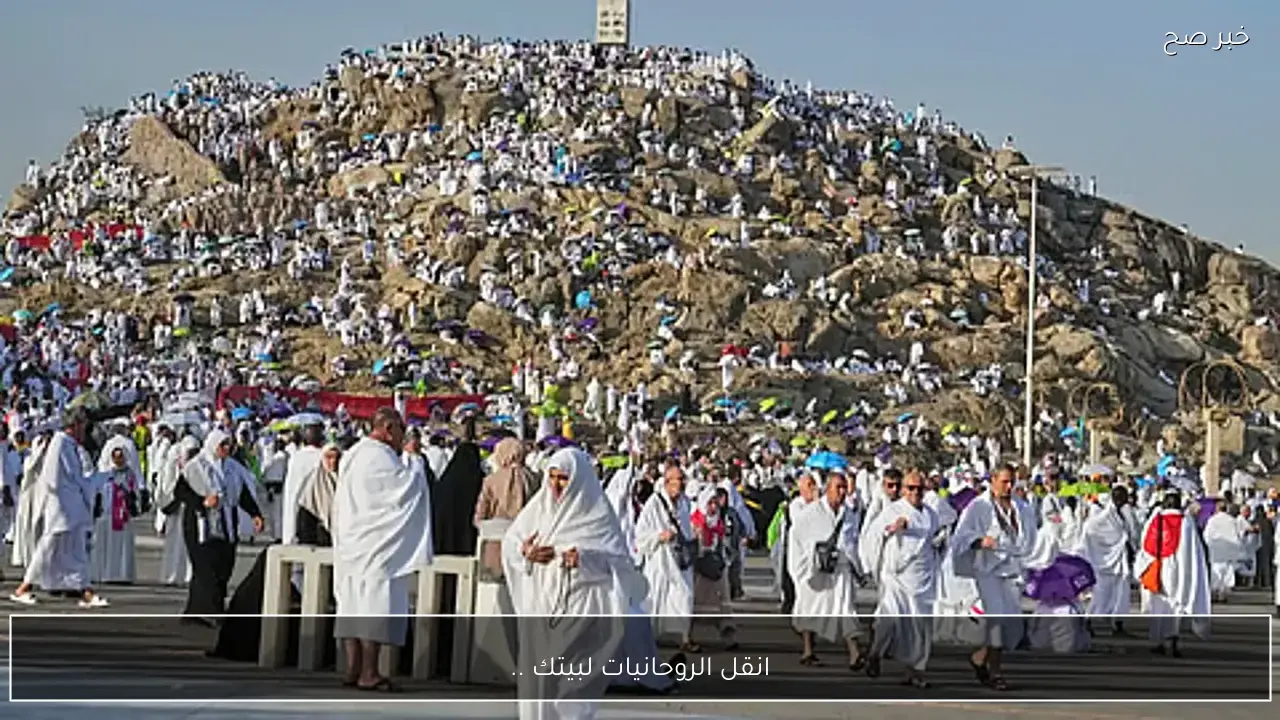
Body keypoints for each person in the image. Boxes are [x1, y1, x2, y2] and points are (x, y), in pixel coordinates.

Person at [502, 447, 637, 720]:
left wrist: (585, 560)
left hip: (582, 610)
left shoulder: (597, 515)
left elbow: (621, 566)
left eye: (563, 478)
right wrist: (525, 553)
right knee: (542, 682)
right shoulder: (539, 508)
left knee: (572, 685)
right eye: (551, 477)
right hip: (541, 607)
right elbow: (511, 543)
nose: (556, 485)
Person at [333, 408, 432, 692]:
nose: (403, 437)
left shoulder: (354, 453)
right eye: (400, 430)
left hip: (353, 543)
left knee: (352, 605)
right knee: (373, 606)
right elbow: (405, 491)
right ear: (389, 428)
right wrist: (414, 459)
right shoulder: (379, 457)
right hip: (376, 545)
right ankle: (369, 671)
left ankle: (352, 669)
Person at [9, 409, 111, 608]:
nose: (85, 431)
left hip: (70, 506)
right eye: (82, 425)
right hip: (62, 507)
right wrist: (75, 492)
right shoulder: (61, 443)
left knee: (73, 549)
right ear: (74, 425)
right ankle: (24, 587)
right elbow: (53, 479)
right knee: (49, 546)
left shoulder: (68, 444)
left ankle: (85, 590)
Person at [950, 465, 1037, 691]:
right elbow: (960, 537)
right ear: (993, 480)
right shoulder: (978, 507)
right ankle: (996, 672)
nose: (1009, 487)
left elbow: (1030, 538)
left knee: (1010, 624)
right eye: (1004, 482)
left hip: (1011, 569)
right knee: (996, 619)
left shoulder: (1022, 508)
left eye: (1012, 482)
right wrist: (979, 541)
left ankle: (980, 657)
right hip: (988, 570)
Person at [165, 428, 264, 622]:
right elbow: (180, 492)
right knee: (205, 569)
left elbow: (242, 494)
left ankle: (195, 612)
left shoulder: (232, 468)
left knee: (224, 566)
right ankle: (213, 612)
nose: (226, 448)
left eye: (228, 444)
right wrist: (202, 501)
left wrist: (255, 514)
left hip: (227, 524)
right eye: (222, 445)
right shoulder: (195, 466)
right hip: (200, 524)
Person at [862, 469, 939, 687]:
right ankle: (875, 653)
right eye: (910, 488)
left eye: (919, 488)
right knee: (890, 619)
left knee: (920, 627)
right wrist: (893, 528)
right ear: (904, 490)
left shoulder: (931, 514)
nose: (915, 492)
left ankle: (914, 671)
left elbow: (934, 539)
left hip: (922, 578)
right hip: (896, 576)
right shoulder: (893, 510)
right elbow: (874, 535)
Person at [789, 470, 865, 669]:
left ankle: (855, 654)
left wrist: (859, 569)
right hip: (815, 571)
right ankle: (808, 649)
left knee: (846, 609)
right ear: (828, 489)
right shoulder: (810, 513)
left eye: (844, 488)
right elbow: (797, 539)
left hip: (840, 571)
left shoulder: (849, 515)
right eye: (837, 487)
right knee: (810, 608)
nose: (841, 492)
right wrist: (805, 565)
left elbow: (853, 542)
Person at [1136, 491, 1211, 657]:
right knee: (1176, 605)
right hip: (1180, 572)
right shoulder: (1186, 523)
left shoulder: (1155, 520)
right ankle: (1174, 640)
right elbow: (1192, 552)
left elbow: (1145, 547)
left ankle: (1160, 641)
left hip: (1159, 568)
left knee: (1159, 605)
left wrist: (1143, 567)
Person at [635, 465, 695, 648]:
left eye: (683, 479)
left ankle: (685, 637)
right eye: (678, 480)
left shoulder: (684, 503)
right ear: (668, 482)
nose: (682, 484)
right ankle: (648, 638)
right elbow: (641, 535)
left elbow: (686, 528)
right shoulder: (654, 504)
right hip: (660, 560)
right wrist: (660, 536)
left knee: (684, 595)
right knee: (656, 598)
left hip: (680, 560)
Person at [473, 437, 538, 581]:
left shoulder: (491, 480)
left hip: (495, 543)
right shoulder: (534, 478)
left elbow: (480, 515)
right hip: (524, 541)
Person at [690, 484, 737, 651]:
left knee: (722, 602)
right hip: (700, 567)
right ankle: (688, 636)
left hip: (717, 564)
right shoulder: (696, 520)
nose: (713, 507)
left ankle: (727, 634)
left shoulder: (719, 520)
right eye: (710, 503)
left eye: (715, 503)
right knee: (695, 603)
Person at [1081, 485, 1133, 634]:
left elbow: (1127, 533)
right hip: (1105, 562)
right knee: (1101, 594)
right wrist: (1106, 547)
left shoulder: (1122, 513)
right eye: (1122, 498)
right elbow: (1090, 530)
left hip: (1120, 561)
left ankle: (1118, 623)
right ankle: (1088, 621)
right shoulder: (1104, 515)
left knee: (1121, 594)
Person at [90, 434, 142, 584]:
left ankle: (123, 574)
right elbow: (98, 493)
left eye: (121, 456)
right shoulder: (104, 475)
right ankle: (107, 573)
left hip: (123, 515)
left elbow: (135, 493)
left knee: (123, 544)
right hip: (108, 515)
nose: (119, 460)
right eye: (116, 457)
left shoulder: (130, 474)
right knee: (107, 544)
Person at [155, 431, 199, 586]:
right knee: (174, 542)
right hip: (177, 507)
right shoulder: (174, 459)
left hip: (191, 508)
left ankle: (189, 575)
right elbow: (167, 483)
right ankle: (171, 575)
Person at [281, 423, 324, 545]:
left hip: (301, 511)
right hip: (320, 512)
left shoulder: (297, 458)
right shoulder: (324, 456)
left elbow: (292, 490)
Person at [296, 443, 341, 546]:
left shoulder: (346, 481)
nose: (333, 461)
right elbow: (306, 515)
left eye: (336, 457)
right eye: (328, 457)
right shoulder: (314, 483)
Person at [1203, 503, 1246, 602]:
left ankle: (1215, 591)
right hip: (1229, 550)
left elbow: (1207, 535)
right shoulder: (1232, 520)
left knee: (1216, 571)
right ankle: (1223, 593)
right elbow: (1238, 535)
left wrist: (1209, 545)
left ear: (1217, 509)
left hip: (1216, 550)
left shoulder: (1212, 520)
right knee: (1227, 572)